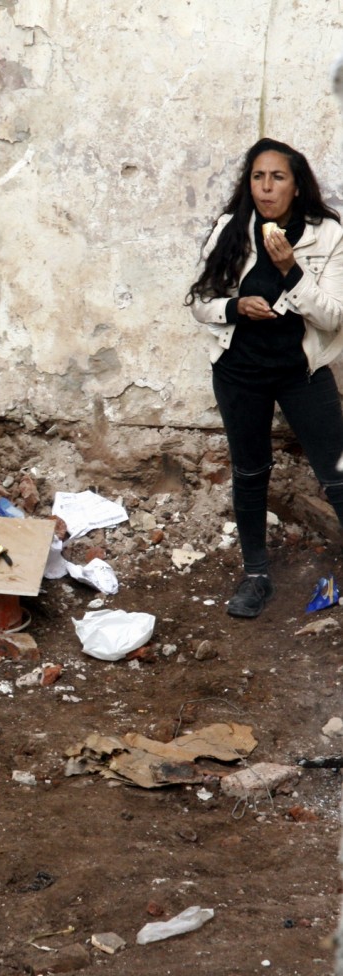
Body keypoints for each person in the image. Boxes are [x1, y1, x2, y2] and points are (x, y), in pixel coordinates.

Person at [188, 137, 343, 618]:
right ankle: (256, 576)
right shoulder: (231, 229)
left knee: (336, 472)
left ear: (297, 186)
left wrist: (290, 270)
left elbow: (333, 317)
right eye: (258, 177)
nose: (267, 187)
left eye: (278, 177)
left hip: (303, 372)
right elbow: (198, 301)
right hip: (240, 374)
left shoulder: (328, 234)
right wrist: (235, 307)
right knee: (250, 474)